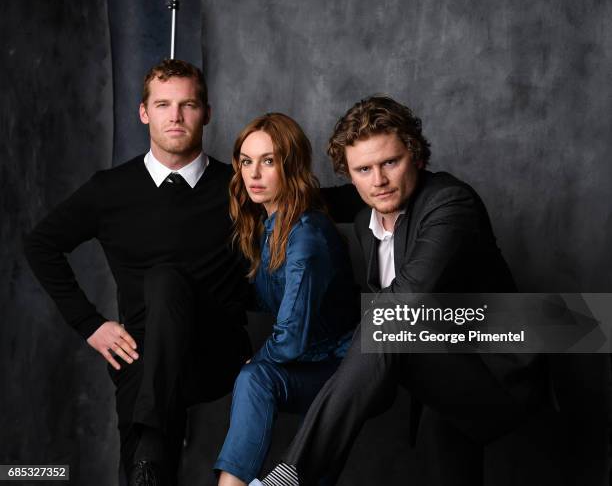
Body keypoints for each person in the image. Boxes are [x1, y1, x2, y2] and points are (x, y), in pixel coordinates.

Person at [258, 96, 547, 486]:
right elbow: (310, 196)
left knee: (387, 319)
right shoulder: (367, 216)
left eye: (390, 163)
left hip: (498, 376)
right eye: (363, 169)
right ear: (350, 174)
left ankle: (292, 474)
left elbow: (405, 303)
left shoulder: (449, 203)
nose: (378, 181)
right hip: (436, 382)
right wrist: (257, 182)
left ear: (416, 157)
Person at [24, 59, 253, 486]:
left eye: (188, 105)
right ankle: (146, 466)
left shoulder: (239, 185)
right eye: (163, 104)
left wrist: (407, 190)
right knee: (142, 371)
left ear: (206, 113)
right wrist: (90, 325)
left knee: (163, 283)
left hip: (216, 351)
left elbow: (305, 202)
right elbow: (40, 244)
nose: (176, 116)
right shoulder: (110, 189)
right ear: (143, 112)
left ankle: (147, 446)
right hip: (144, 353)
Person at [214, 113, 359, 486]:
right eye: (246, 161)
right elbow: (268, 297)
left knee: (254, 376)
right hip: (307, 364)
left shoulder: (306, 236)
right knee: (253, 377)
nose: (254, 174)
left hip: (339, 371)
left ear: (290, 165)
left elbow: (291, 338)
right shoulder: (268, 226)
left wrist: (256, 357)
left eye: (268, 160)